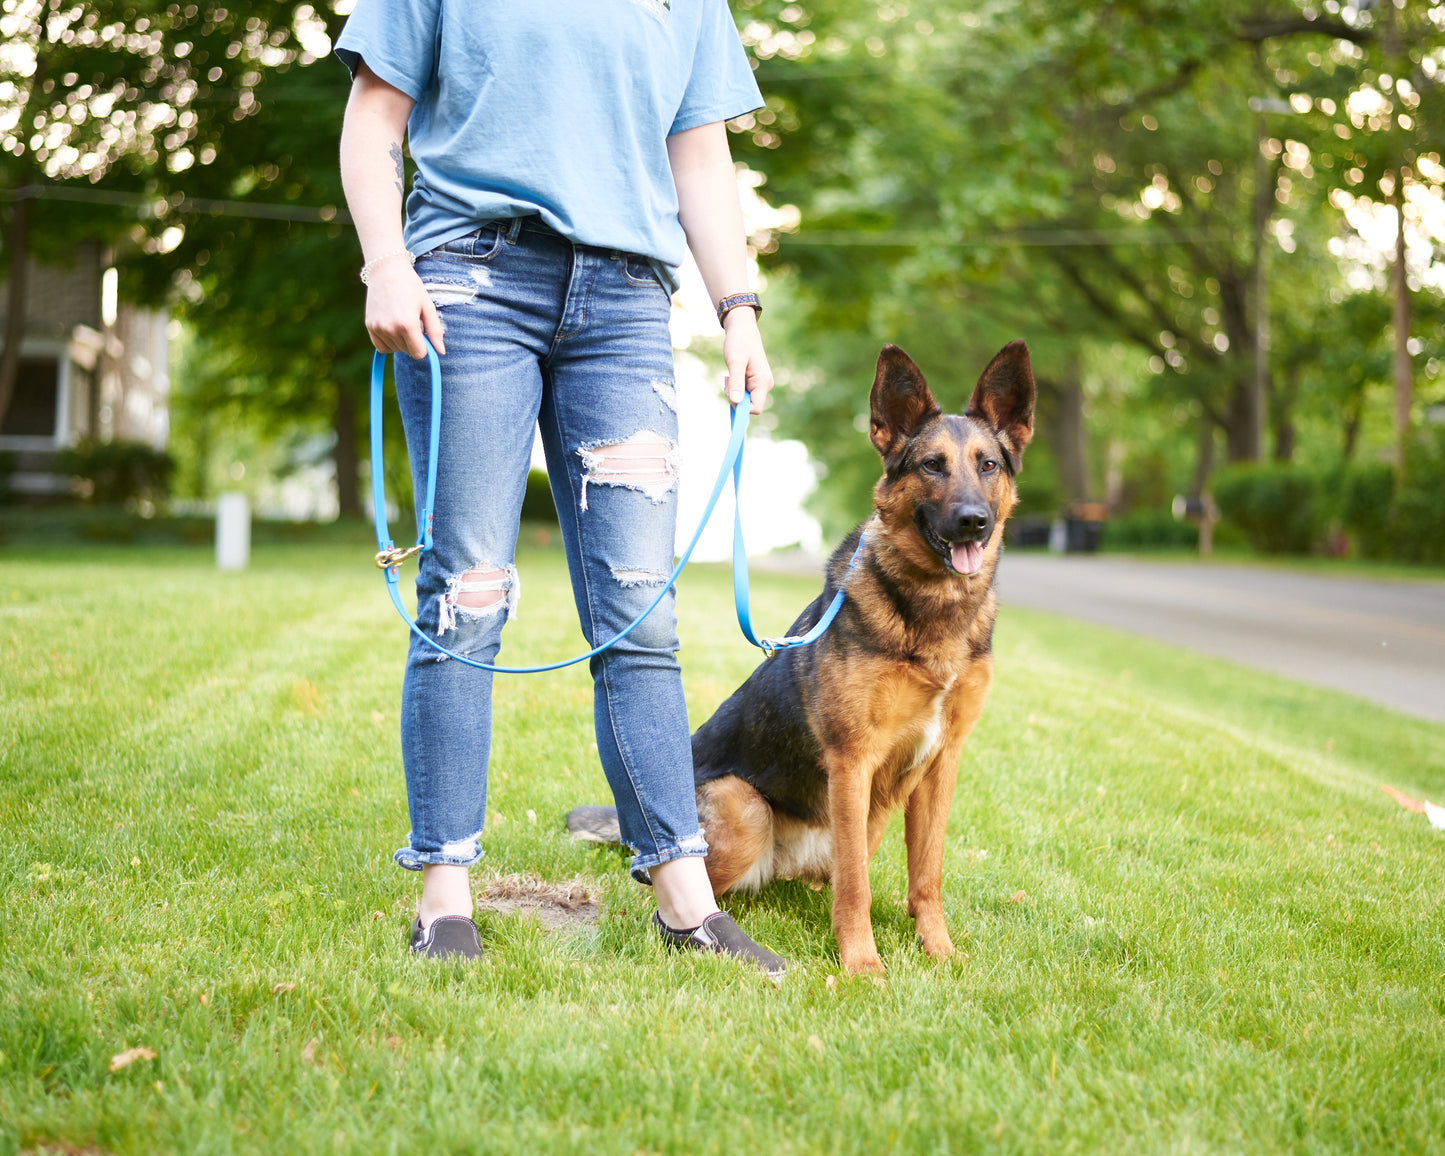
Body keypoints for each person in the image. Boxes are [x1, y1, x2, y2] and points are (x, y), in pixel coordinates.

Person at [335, 0, 785, 973]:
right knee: (466, 596)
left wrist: (737, 309)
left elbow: (698, 156)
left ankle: (681, 894)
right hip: (467, 285)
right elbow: (374, 115)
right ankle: (444, 894)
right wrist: (384, 261)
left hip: (625, 306)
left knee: (639, 614)